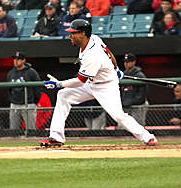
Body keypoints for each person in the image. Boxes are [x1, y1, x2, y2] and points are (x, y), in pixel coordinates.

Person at [40, 19, 158, 147]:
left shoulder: (92, 54)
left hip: (105, 86)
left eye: (73, 33)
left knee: (118, 115)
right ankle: (56, 136)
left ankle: (147, 137)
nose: (70, 36)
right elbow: (110, 54)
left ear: (82, 34)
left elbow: (80, 81)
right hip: (91, 83)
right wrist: (116, 69)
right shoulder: (94, 39)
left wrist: (59, 84)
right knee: (63, 95)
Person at [7, 52, 42, 130]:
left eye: (18, 59)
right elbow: (9, 89)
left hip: (28, 104)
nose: (16, 61)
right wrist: (12, 100)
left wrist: (33, 102)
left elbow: (38, 88)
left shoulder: (31, 72)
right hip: (14, 104)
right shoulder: (11, 73)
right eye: (15, 59)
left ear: (23, 60)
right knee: (13, 130)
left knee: (31, 130)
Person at [120, 53, 148, 126]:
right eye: (125, 62)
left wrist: (132, 102)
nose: (126, 64)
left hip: (137, 107)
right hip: (125, 107)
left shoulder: (140, 75)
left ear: (134, 62)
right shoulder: (123, 75)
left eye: (128, 62)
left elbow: (142, 93)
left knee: (137, 126)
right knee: (123, 127)